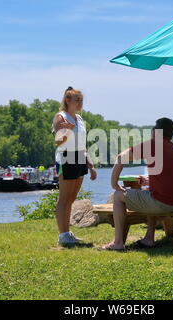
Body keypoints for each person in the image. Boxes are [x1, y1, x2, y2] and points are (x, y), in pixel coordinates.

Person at [102, 118, 173, 250]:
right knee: (149, 193)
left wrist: (114, 183)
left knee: (118, 195)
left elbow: (121, 157)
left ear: (155, 131)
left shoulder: (154, 144)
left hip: (165, 203)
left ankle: (118, 243)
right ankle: (149, 238)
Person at [52, 86, 97, 246]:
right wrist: (67, 131)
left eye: (81, 100)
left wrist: (90, 165)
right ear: (67, 100)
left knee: (71, 199)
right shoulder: (60, 117)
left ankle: (68, 233)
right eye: (77, 100)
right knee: (64, 198)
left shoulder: (79, 119)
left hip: (79, 157)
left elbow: (82, 145)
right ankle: (63, 235)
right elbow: (58, 141)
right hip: (66, 157)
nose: (80, 103)